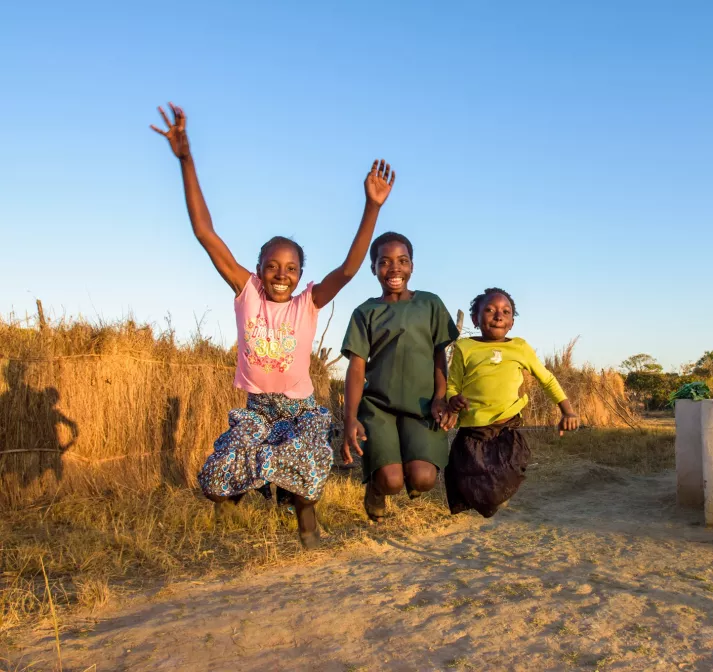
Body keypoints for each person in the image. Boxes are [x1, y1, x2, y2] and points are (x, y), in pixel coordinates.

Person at [151, 103, 395, 548]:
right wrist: (187, 160)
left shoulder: (308, 303)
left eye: (291, 268)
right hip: (257, 408)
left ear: (301, 274)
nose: (281, 274)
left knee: (308, 461)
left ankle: (306, 522)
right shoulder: (246, 293)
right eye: (272, 266)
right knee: (218, 476)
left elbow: (349, 268)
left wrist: (371, 207)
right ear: (259, 268)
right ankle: (240, 505)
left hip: (299, 410)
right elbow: (206, 233)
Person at [340, 232, 458, 522]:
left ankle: (409, 466)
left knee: (423, 479)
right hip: (379, 407)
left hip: (421, 407)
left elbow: (438, 356)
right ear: (373, 268)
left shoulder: (430, 304)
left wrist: (440, 397)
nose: (394, 268)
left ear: (412, 266)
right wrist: (350, 419)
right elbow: (356, 368)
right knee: (392, 481)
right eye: (385, 261)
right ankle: (376, 490)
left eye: (402, 261)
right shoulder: (365, 312)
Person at [441, 288, 578, 517]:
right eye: (490, 310)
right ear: (475, 318)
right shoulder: (465, 348)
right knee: (465, 480)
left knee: (504, 478)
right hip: (473, 431)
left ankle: (496, 496)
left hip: (507, 428)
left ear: (512, 322)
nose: (498, 315)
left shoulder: (520, 348)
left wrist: (567, 411)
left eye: (506, 311)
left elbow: (547, 379)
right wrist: (453, 399)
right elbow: (453, 384)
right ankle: (488, 498)